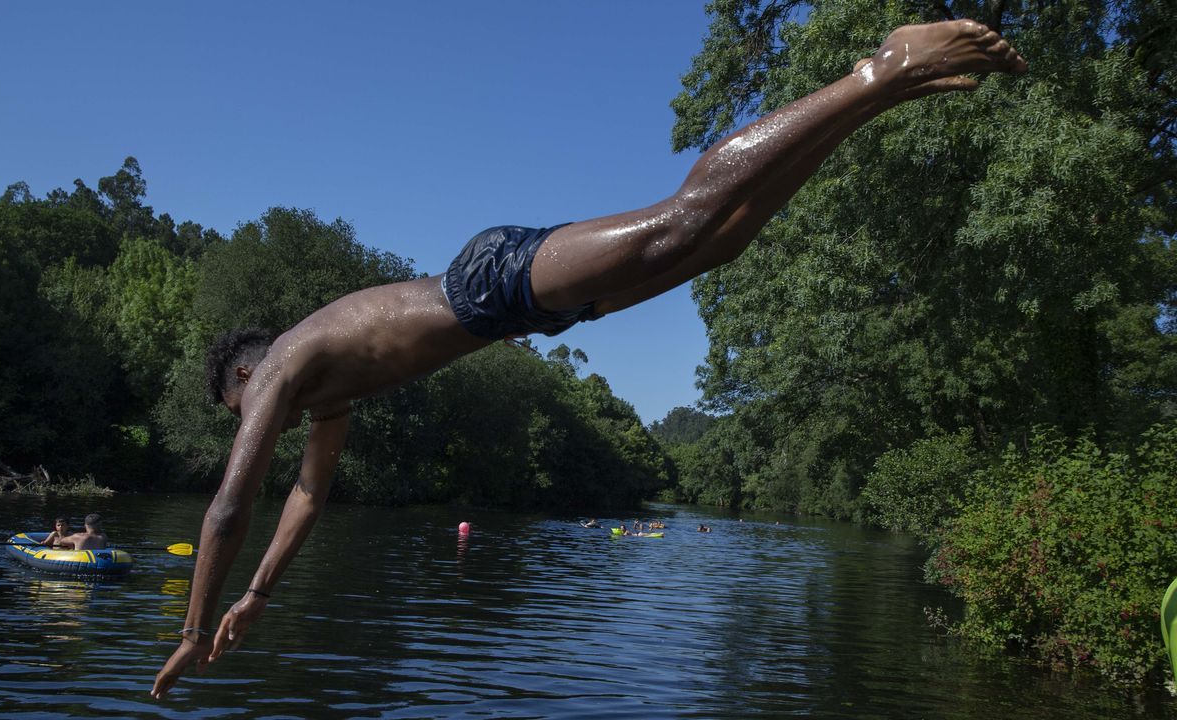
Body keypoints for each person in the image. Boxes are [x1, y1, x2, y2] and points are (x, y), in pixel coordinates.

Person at [151, 19, 1026, 699]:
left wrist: (191, 629)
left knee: (679, 220)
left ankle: (883, 66)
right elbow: (308, 493)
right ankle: (887, 93)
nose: (263, 422)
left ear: (242, 376)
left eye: (244, 414)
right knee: (715, 244)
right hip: (515, 315)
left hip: (487, 281)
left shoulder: (280, 366)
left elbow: (231, 505)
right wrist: (256, 596)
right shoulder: (323, 390)